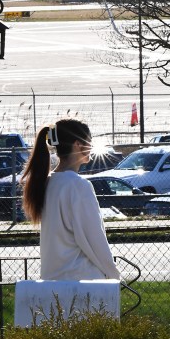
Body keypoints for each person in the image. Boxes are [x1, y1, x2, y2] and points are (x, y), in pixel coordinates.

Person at [22, 119, 121, 281]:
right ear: (77, 145)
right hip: (81, 281)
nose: (91, 147)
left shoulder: (47, 183)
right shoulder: (78, 186)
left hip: (52, 281)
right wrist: (113, 274)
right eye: (89, 142)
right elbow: (94, 239)